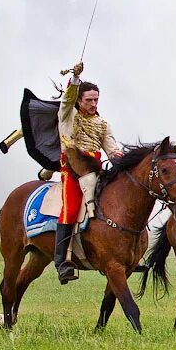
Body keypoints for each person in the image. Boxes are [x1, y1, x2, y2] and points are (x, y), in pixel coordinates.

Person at [55, 61, 122, 284]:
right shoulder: (68, 115)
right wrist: (75, 79)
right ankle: (61, 262)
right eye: (89, 100)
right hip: (72, 170)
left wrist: (121, 158)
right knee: (71, 208)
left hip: (95, 170)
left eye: (96, 100)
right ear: (80, 100)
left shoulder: (102, 123)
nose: (93, 104)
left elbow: (111, 148)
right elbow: (66, 100)